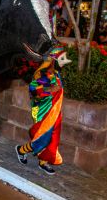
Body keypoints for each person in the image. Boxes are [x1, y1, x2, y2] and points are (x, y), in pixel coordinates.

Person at [15, 45, 71, 175]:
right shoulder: (43, 74)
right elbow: (33, 89)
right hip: (43, 112)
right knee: (43, 138)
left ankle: (43, 161)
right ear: (53, 60)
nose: (63, 64)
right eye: (61, 60)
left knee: (53, 139)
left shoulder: (56, 74)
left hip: (55, 112)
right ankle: (21, 150)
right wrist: (49, 90)